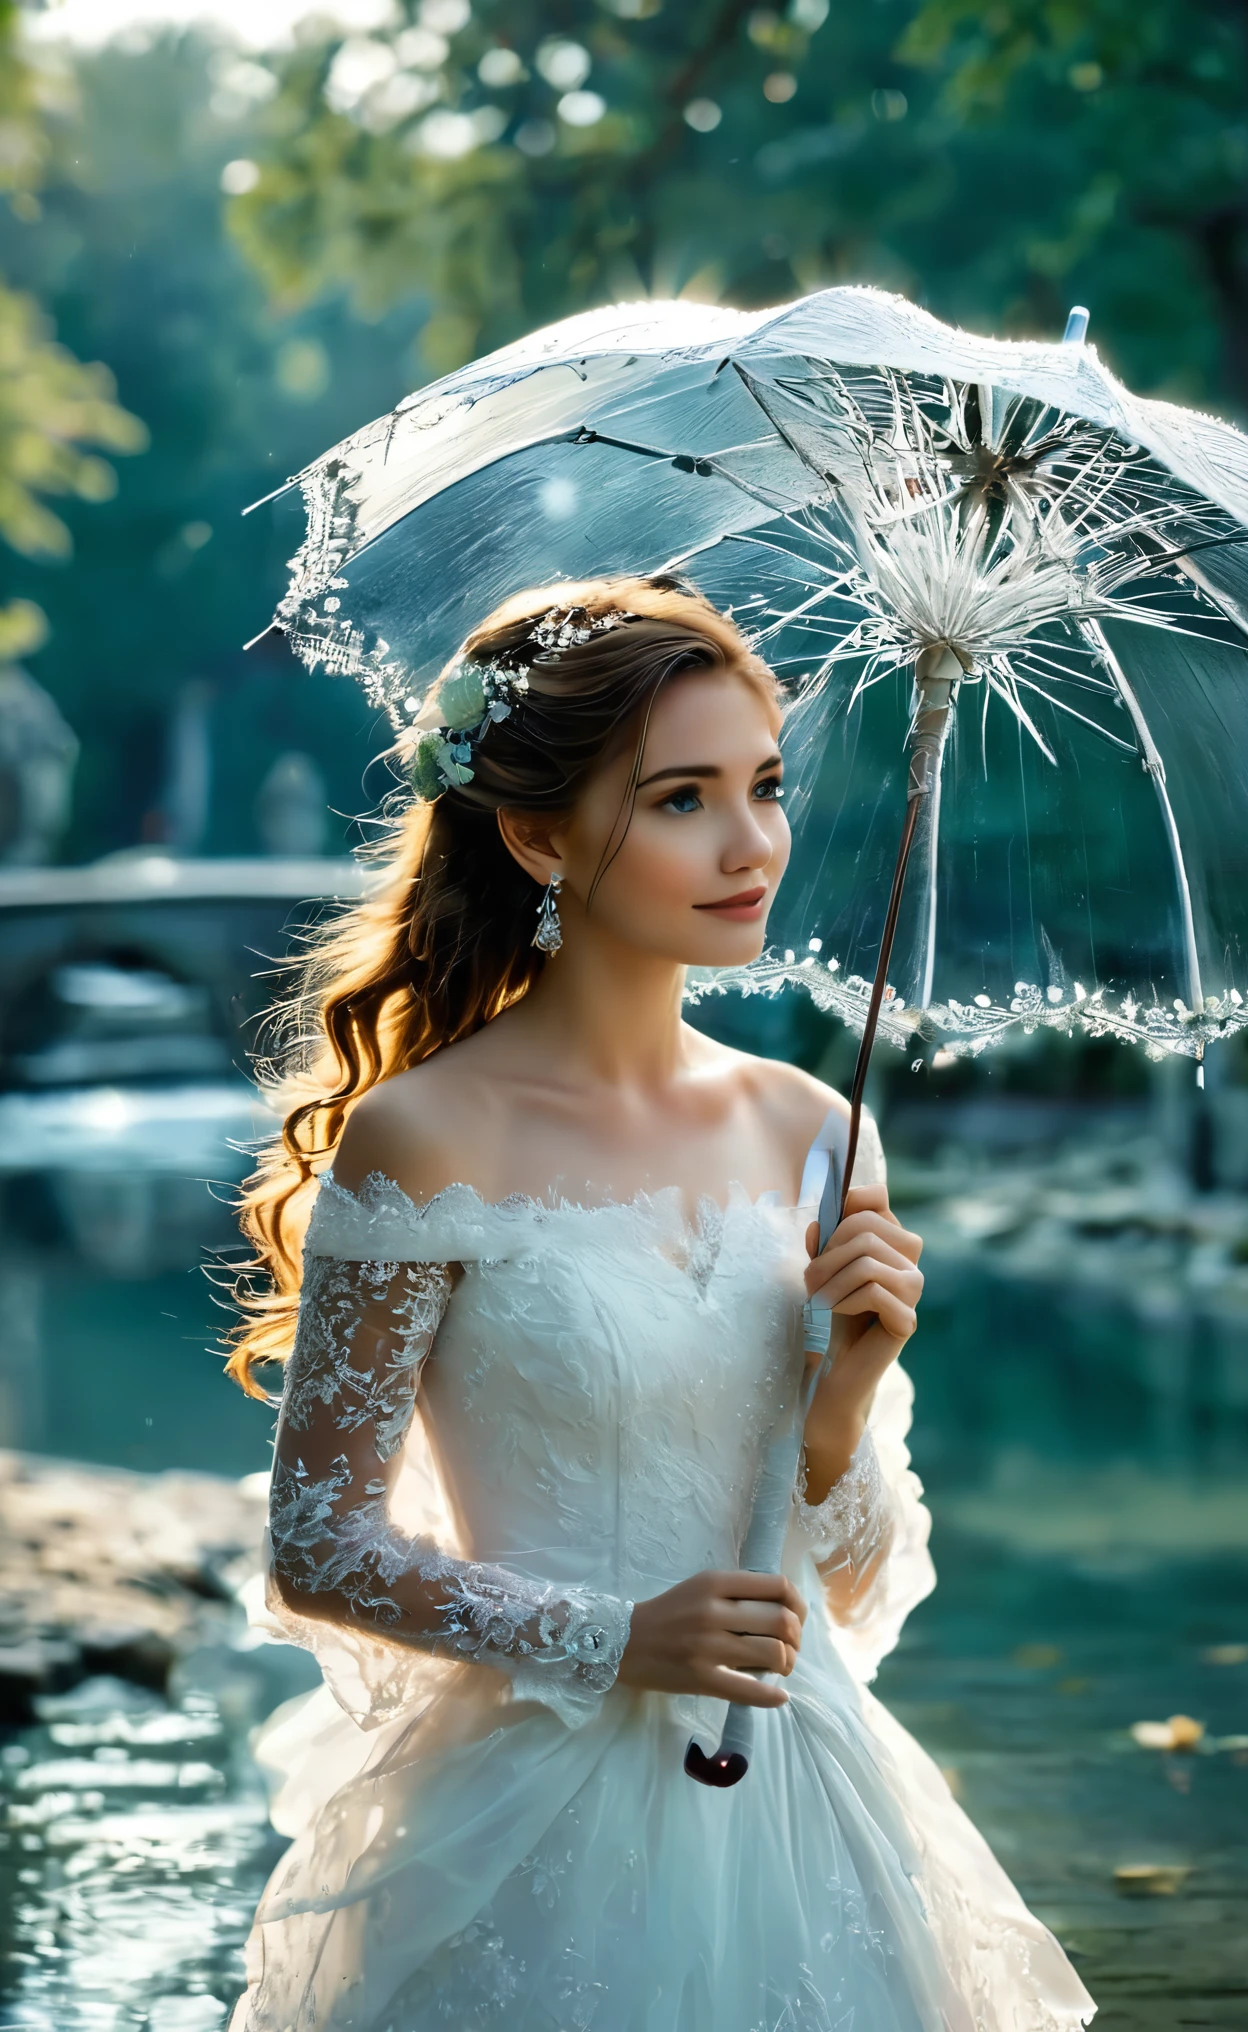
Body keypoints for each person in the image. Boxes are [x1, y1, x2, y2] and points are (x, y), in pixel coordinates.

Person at [225, 576, 1095, 2032]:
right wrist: (612, 1638)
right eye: (683, 798)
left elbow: (848, 1575)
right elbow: (320, 1545)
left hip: (804, 1799)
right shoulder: (428, 1138)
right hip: (533, 1816)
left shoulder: (821, 1130)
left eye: (763, 787)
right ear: (533, 832)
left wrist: (849, 1394)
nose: (750, 844)